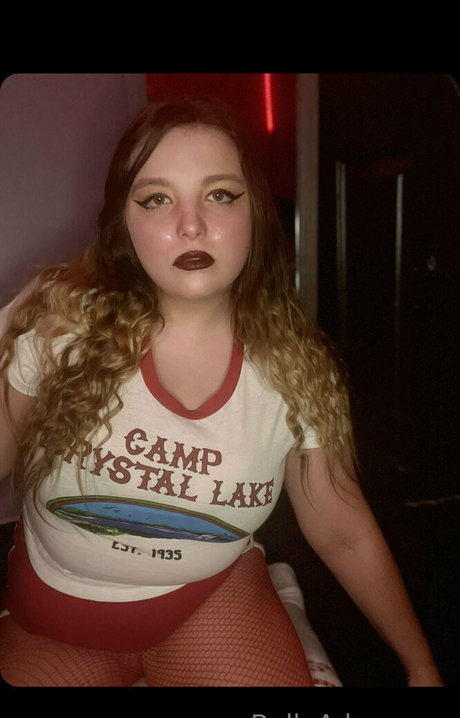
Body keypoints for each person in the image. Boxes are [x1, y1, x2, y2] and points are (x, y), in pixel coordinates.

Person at [0, 97, 443, 687]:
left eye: (219, 194)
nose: (192, 225)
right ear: (122, 223)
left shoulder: (297, 367)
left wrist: (420, 664)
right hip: (56, 617)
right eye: (156, 199)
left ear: (254, 211)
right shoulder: (60, 327)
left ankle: (274, 587)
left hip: (207, 598)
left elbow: (340, 527)